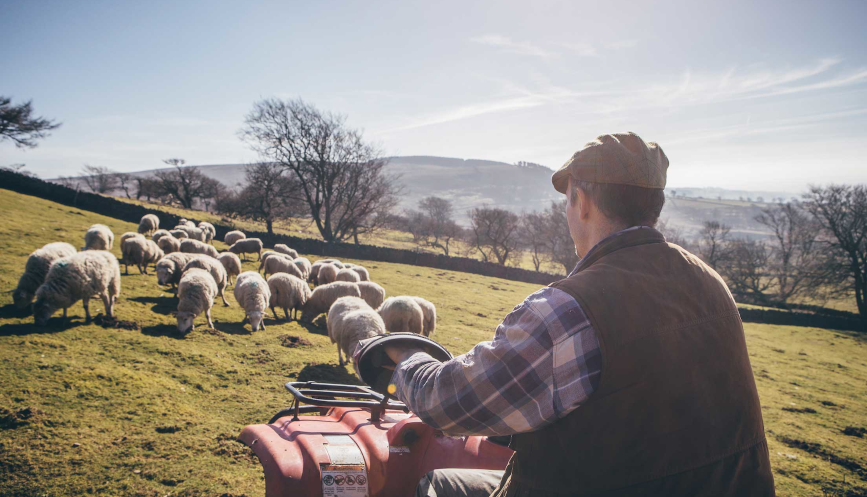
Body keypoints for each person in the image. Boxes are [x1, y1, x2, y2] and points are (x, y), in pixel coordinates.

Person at [358, 132, 775, 497]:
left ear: (583, 201)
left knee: (440, 484)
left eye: (569, 198)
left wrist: (405, 358)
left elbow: (449, 403)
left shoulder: (570, 311)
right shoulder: (710, 283)